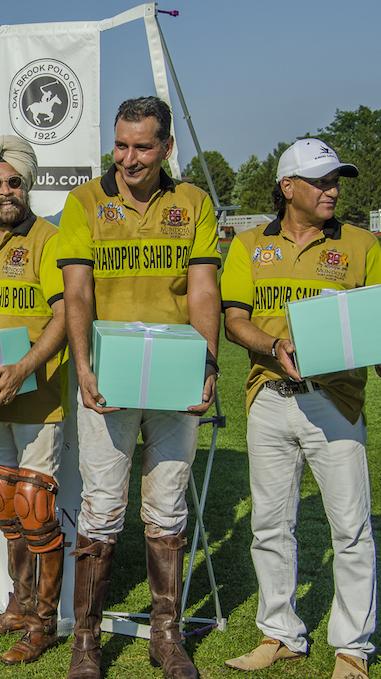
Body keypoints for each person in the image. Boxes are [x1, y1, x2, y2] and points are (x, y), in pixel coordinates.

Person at [58, 96, 220, 679]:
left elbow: (203, 291)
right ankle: (86, 643)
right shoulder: (82, 202)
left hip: (175, 374)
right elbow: (77, 292)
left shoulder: (194, 201)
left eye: (143, 146)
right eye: (121, 145)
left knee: (167, 506)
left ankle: (166, 637)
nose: (129, 158)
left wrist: (207, 363)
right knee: (102, 508)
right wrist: (83, 365)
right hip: (110, 376)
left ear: (166, 147)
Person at [221, 139, 375, 679]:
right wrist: (270, 345)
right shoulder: (246, 245)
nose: (333, 189)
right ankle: (281, 634)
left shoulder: (362, 245)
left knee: (350, 529)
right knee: (269, 525)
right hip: (267, 398)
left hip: (336, 401)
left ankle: (353, 647)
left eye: (337, 180)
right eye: (321, 180)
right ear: (288, 188)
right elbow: (234, 317)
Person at [0, 136, 69, 664]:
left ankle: (45, 624)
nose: (6, 190)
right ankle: (18, 607)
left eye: (14, 181)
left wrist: (25, 366)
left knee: (36, 505)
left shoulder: (49, 239)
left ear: (28, 184)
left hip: (38, 393)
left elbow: (64, 316)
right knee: (5, 499)